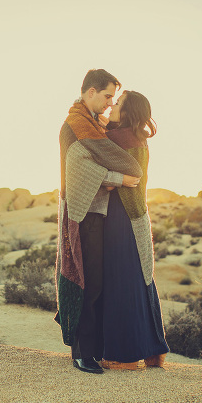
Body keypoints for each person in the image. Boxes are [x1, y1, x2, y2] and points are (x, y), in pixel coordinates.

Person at [55, 69, 143, 374]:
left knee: (97, 281)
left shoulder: (92, 124)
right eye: (107, 96)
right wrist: (118, 178)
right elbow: (79, 171)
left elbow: (105, 159)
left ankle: (95, 349)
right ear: (90, 92)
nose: (110, 103)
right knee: (86, 281)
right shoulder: (75, 126)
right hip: (82, 214)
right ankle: (82, 353)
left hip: (97, 212)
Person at [99, 90, 169, 369]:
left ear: (127, 112)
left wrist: (109, 180)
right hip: (136, 214)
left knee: (120, 280)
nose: (112, 106)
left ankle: (124, 356)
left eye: (117, 103)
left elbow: (99, 173)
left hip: (119, 215)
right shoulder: (137, 137)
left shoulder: (116, 139)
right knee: (141, 278)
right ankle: (153, 350)